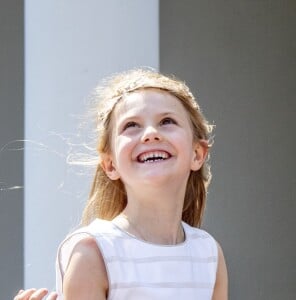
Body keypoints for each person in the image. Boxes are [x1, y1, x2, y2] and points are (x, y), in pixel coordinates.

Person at [14, 69, 228, 300]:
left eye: (167, 121)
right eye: (131, 126)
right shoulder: (93, 250)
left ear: (197, 154)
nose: (150, 134)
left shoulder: (208, 253)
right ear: (110, 164)